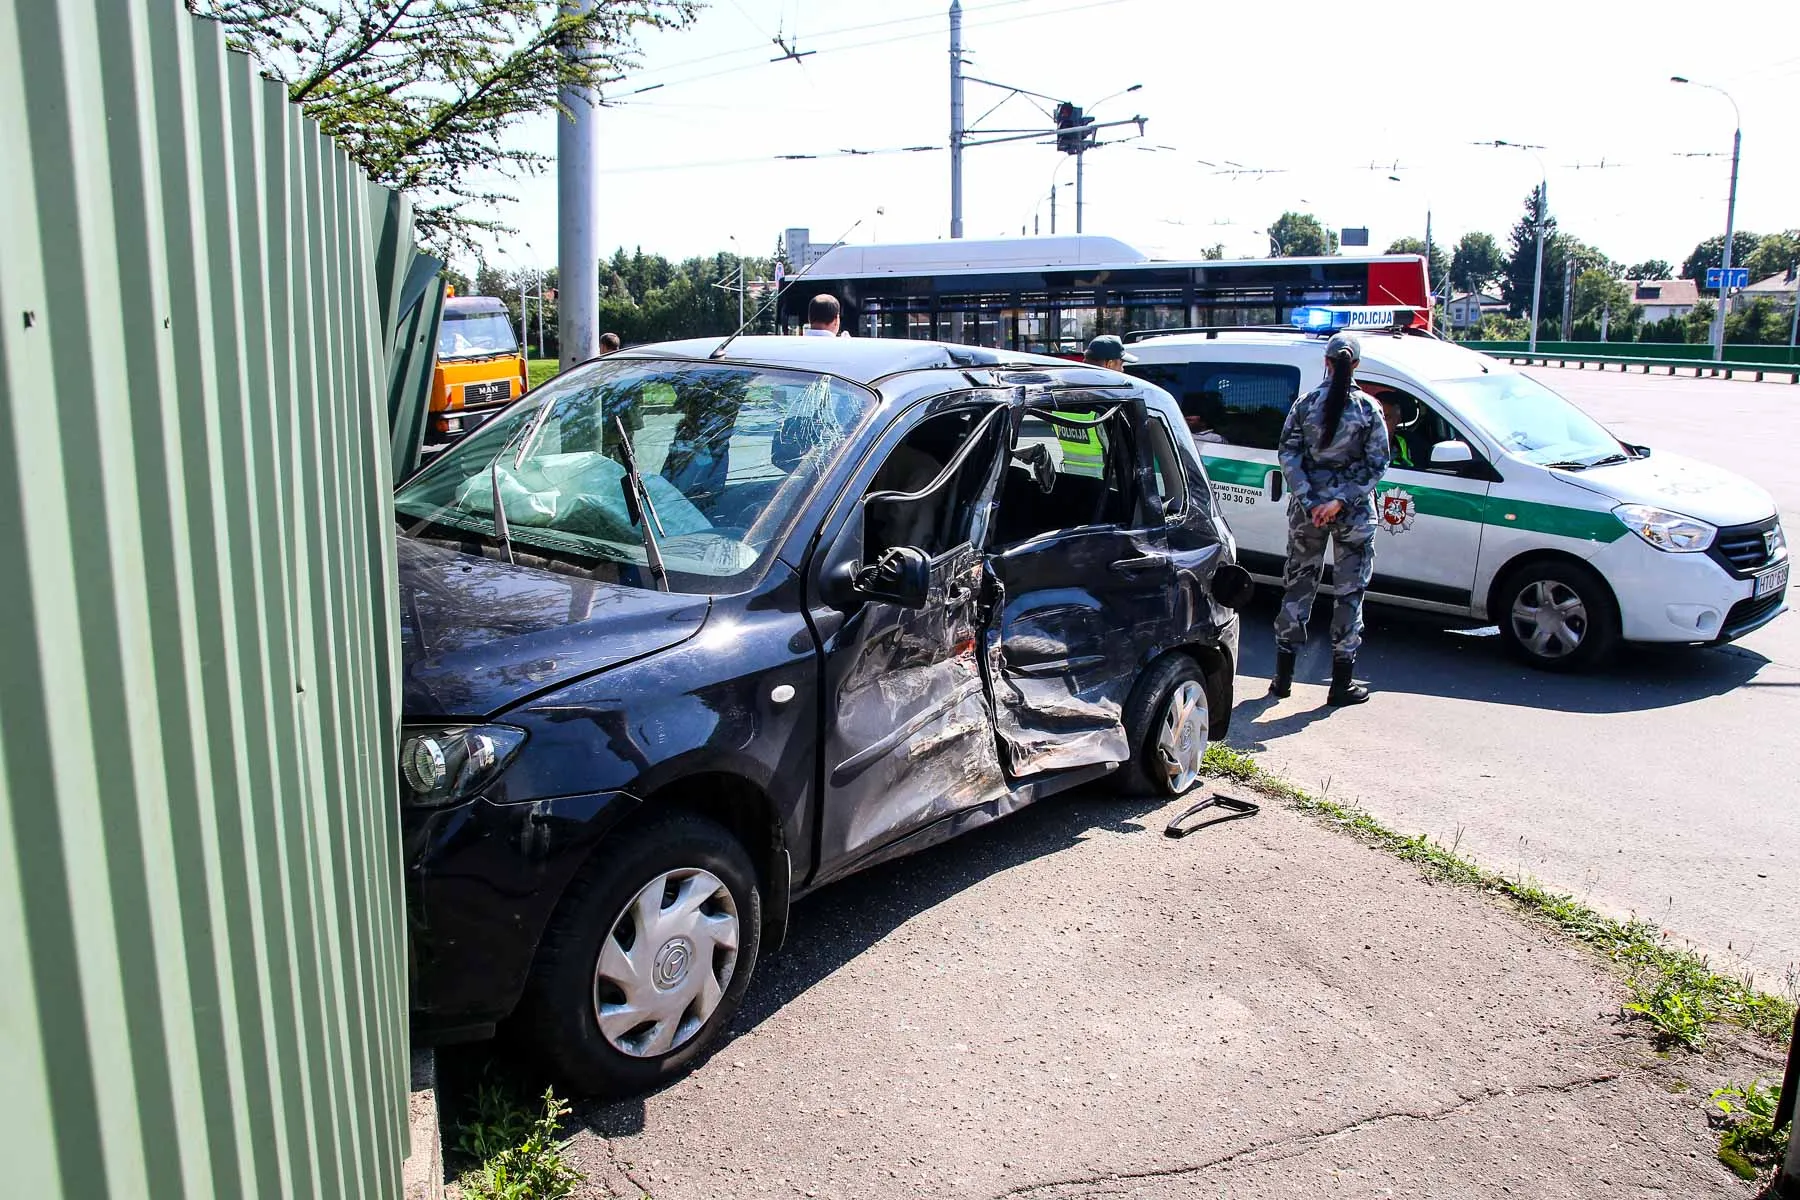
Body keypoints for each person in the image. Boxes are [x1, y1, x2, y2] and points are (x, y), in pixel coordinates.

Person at [1268, 332, 1390, 706]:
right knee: (1349, 593)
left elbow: (1288, 453)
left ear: (1327, 362)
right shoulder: (1369, 408)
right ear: (1355, 365)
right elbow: (1376, 463)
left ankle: (1283, 679)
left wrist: (1309, 500)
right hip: (1351, 514)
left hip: (1307, 514)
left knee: (1297, 586)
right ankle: (1341, 684)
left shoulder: (1305, 404)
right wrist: (1338, 501)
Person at [1375, 391, 1415, 469]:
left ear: (1398, 419)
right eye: (1377, 416)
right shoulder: (1356, 443)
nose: (1380, 423)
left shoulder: (1411, 445)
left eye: (1386, 418)